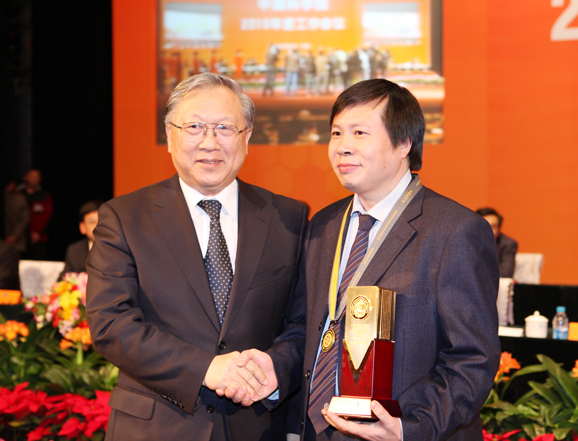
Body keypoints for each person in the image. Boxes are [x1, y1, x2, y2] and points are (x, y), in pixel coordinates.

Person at [267, 79, 500, 440]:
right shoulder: (324, 225)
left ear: (404, 143)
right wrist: (273, 367)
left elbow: (472, 359)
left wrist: (409, 426)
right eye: (336, 133)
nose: (343, 146)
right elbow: (308, 327)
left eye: (360, 132)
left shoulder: (454, 231)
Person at [85, 73, 307, 441]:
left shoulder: (288, 217)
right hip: (155, 427)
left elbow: (305, 322)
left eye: (225, 128)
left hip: (256, 425)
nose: (210, 142)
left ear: (247, 136)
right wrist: (205, 368)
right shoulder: (124, 217)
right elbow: (111, 323)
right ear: (169, 135)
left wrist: (277, 365)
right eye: (194, 127)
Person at [57, 200, 102, 280]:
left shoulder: (120, 248)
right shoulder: (75, 251)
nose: (98, 225)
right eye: (92, 221)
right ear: (82, 227)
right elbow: (63, 280)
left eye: (102, 221)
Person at [18, 168, 53, 260]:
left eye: (36, 177)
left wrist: (38, 232)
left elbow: (47, 215)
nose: (33, 179)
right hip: (19, 238)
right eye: (31, 176)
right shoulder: (18, 194)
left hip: (38, 238)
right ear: (25, 177)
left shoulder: (44, 196)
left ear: (40, 179)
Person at [476, 207, 518, 278]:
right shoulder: (467, 241)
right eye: (485, 226)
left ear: (499, 228)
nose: (489, 230)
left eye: (493, 226)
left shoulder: (507, 244)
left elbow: (506, 273)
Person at [4, 177, 29, 255]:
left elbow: (24, 218)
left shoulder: (19, 198)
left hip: (16, 241)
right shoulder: (5, 197)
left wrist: (14, 236)